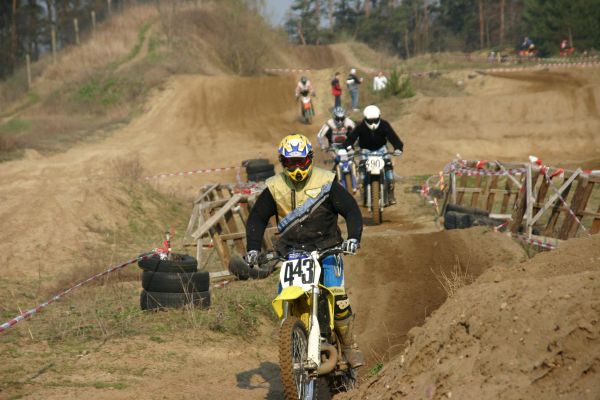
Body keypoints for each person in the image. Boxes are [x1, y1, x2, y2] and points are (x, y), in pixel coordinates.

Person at [244, 134, 365, 369]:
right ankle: (294, 341)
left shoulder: (326, 181)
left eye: (301, 161)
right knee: (285, 297)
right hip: (292, 253)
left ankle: (350, 345)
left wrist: (353, 238)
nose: (297, 168)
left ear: (309, 159)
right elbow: (257, 218)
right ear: (283, 162)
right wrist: (252, 250)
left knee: (337, 294)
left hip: (327, 248)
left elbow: (350, 209)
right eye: (291, 163)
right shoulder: (275, 187)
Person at [343, 105, 404, 204]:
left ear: (379, 117)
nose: (373, 123)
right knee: (362, 175)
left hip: (382, 150)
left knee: (389, 172)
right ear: (365, 118)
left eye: (375, 120)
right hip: (365, 151)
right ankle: (363, 194)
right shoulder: (361, 126)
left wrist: (398, 147)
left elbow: (393, 137)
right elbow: (350, 139)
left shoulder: (384, 125)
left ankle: (390, 195)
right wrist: (349, 147)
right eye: (370, 121)